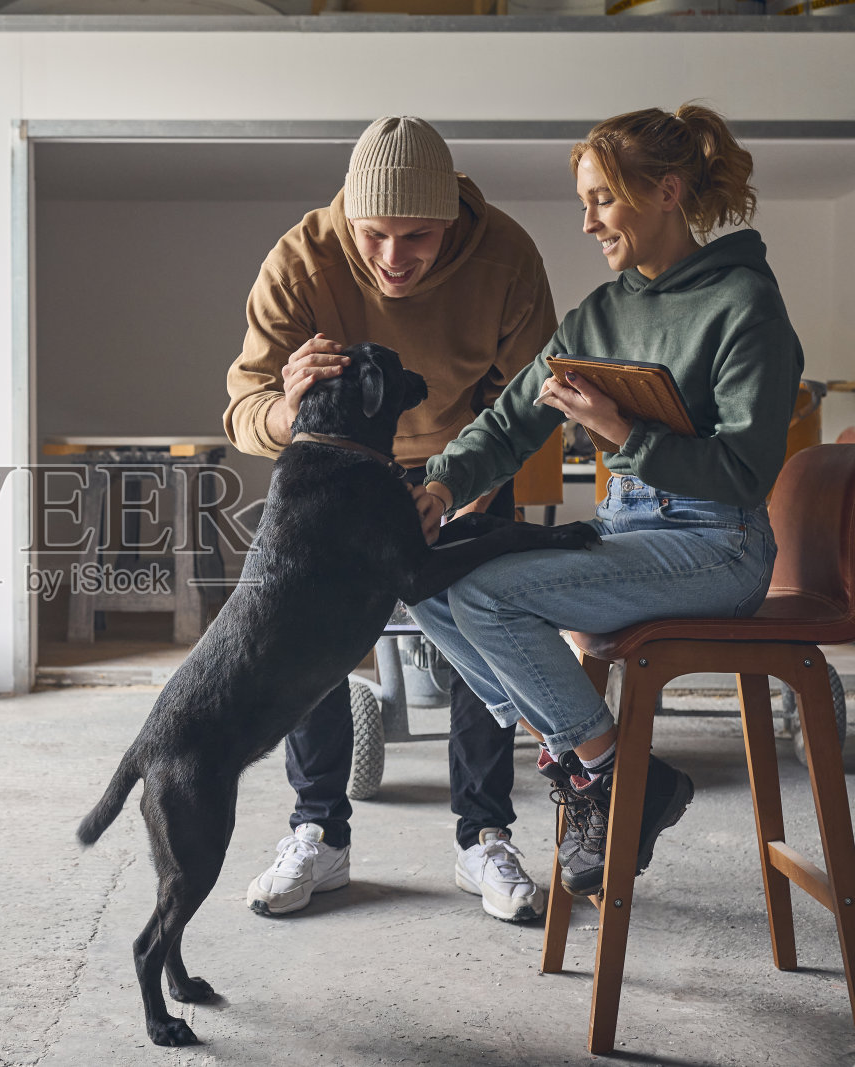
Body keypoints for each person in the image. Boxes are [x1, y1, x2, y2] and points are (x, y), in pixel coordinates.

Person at [409, 104, 802, 898]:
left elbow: (745, 475)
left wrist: (621, 428)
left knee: (487, 592)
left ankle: (607, 769)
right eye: (584, 200)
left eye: (602, 199)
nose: (587, 222)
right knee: (421, 570)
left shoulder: (744, 305)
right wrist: (443, 484)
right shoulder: (601, 312)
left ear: (666, 191)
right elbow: (514, 416)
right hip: (629, 535)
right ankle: (595, 765)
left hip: (719, 545)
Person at [224, 116, 557, 922]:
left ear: (451, 219)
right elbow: (242, 408)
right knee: (306, 633)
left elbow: (538, 394)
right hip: (336, 467)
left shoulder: (507, 256)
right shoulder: (300, 260)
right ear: (349, 216)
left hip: (463, 460)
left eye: (419, 236)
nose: (394, 258)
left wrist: (472, 482)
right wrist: (287, 406)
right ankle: (319, 834)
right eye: (375, 235)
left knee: (487, 625)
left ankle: (483, 838)